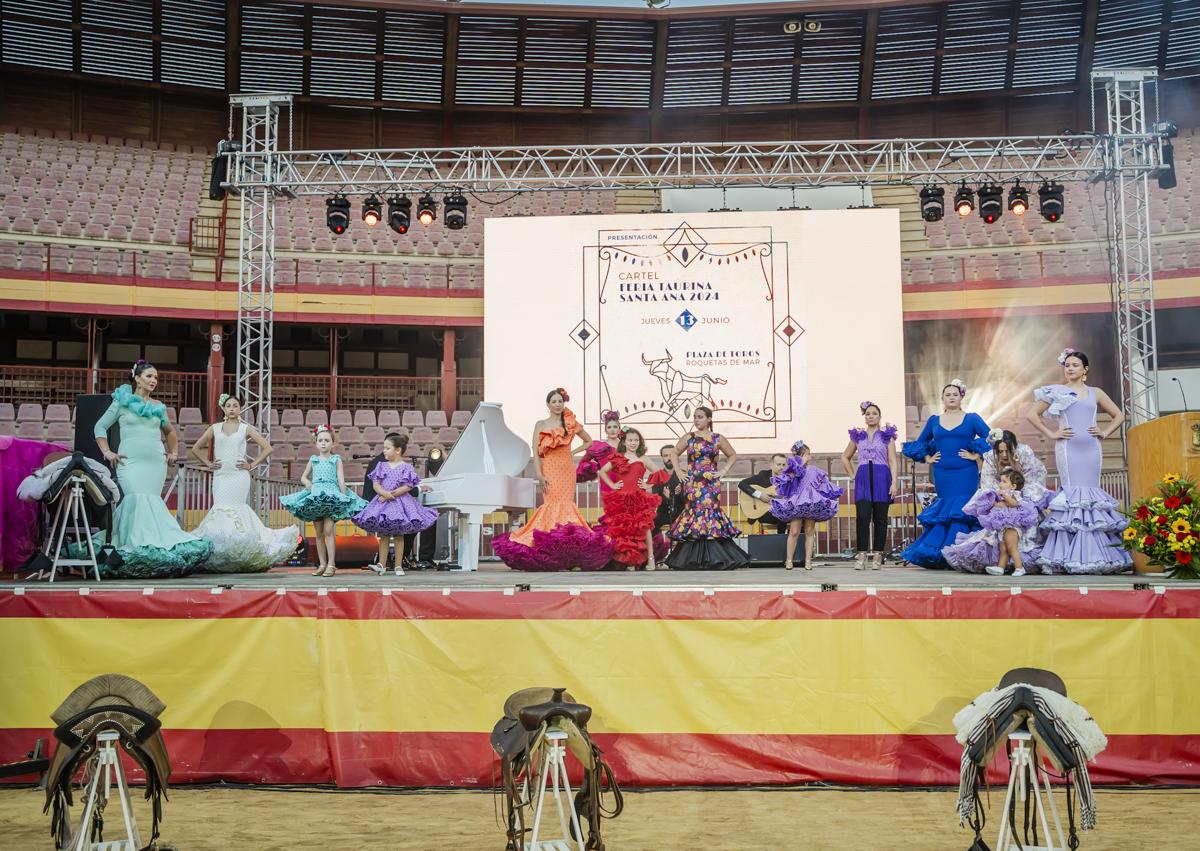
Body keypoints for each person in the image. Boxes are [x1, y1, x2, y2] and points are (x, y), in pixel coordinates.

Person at [93, 359, 213, 577]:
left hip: (155, 463)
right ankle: (135, 546)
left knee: (152, 500)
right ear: (137, 378)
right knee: (135, 498)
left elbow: (170, 433)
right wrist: (108, 452)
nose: (154, 381)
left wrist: (173, 453)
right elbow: (99, 427)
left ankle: (154, 546)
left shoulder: (158, 407)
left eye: (156, 377)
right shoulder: (121, 401)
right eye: (149, 376)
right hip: (129, 462)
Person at [1027, 348, 1131, 574]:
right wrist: (1052, 433)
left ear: (1085, 369)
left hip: (1091, 448)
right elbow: (1032, 414)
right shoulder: (1056, 391)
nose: (1070, 368)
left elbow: (1119, 415)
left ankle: (1096, 556)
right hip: (1068, 448)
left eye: (1075, 365)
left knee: (1091, 495)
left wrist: (1104, 432)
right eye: (1067, 365)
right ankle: (1067, 556)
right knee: (1073, 496)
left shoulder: (1096, 392)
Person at [491, 388, 612, 571]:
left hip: (566, 468)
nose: (557, 404)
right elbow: (536, 452)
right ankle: (550, 551)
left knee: (566, 505)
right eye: (554, 401)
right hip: (549, 468)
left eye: (560, 401)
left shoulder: (570, 422)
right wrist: (539, 474)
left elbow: (589, 441)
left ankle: (569, 554)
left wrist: (573, 452)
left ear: (563, 403)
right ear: (548, 404)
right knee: (552, 505)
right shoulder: (540, 424)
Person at [188, 393, 299, 572]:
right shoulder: (215, 428)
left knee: (237, 507)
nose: (232, 408)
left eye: (235, 405)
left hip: (239, 476)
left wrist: (252, 464)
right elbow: (195, 448)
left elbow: (267, 447)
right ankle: (221, 552)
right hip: (221, 475)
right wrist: (208, 463)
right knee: (221, 507)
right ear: (223, 408)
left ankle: (242, 551)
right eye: (229, 405)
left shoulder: (244, 428)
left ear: (240, 409)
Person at [900, 379, 993, 568]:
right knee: (946, 511)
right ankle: (943, 554)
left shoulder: (972, 418)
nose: (951, 397)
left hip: (966, 471)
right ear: (942, 398)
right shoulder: (934, 420)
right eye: (948, 394)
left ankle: (963, 553)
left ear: (961, 397)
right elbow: (919, 442)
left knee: (963, 509)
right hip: (942, 471)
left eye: (955, 394)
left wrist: (975, 455)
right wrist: (927, 458)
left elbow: (991, 437)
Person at [943, 428, 1050, 574]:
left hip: (1023, 504)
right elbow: (988, 484)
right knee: (999, 540)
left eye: (1008, 451)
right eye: (1000, 451)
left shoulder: (1024, 453)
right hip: (1002, 507)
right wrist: (1001, 499)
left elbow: (1034, 479)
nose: (1004, 455)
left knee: (1024, 533)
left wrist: (1016, 496)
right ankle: (1001, 566)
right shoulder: (990, 458)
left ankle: (1019, 566)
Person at [665, 406, 751, 570]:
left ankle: (714, 557)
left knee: (710, 512)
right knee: (695, 512)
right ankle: (694, 558)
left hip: (711, 482)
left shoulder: (717, 438)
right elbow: (674, 453)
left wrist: (724, 471)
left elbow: (732, 454)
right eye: (695, 417)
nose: (696, 420)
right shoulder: (689, 437)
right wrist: (678, 471)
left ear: (709, 419)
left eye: (700, 417)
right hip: (693, 482)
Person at [280, 425, 367, 577]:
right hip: (316, 495)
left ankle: (331, 564)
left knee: (328, 530)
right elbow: (304, 477)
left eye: (327, 440)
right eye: (320, 440)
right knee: (319, 533)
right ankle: (322, 564)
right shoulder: (314, 460)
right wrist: (307, 483)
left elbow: (341, 479)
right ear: (316, 443)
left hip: (331, 496)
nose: (323, 443)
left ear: (333, 443)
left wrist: (344, 495)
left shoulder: (336, 459)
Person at [353, 433, 439, 576]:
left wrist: (390, 495)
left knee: (399, 535)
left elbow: (408, 486)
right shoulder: (381, 465)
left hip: (398, 503)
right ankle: (381, 563)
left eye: (387, 448)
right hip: (384, 503)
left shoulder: (406, 467)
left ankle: (398, 565)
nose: (384, 451)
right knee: (383, 534)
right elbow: (376, 484)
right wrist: (384, 493)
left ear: (397, 450)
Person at [842, 401, 899, 569]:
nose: (871, 416)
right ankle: (861, 555)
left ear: (879, 416)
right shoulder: (858, 436)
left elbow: (893, 461)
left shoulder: (886, 436)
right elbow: (845, 456)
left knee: (880, 519)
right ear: (864, 417)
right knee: (862, 517)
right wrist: (853, 475)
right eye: (867, 414)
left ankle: (877, 556)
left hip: (882, 478)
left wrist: (894, 482)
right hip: (863, 478)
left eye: (874, 413)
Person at [771, 441, 845, 570]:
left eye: (809, 454)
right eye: (806, 454)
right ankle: (789, 560)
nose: (809, 457)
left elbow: (823, 484)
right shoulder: (793, 470)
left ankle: (808, 561)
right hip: (797, 502)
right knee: (794, 531)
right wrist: (800, 463)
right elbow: (787, 480)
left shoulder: (815, 470)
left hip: (811, 501)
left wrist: (829, 495)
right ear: (799, 456)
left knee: (810, 531)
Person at [597, 427, 662, 570]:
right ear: (624, 442)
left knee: (644, 528)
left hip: (638, 497)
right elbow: (601, 471)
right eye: (630, 440)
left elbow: (659, 473)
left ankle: (651, 558)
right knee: (626, 530)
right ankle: (630, 561)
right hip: (621, 498)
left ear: (640, 442)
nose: (633, 443)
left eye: (636, 440)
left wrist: (648, 483)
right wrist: (612, 485)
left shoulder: (643, 458)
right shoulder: (618, 458)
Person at [974, 468, 1041, 578]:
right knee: (1003, 549)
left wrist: (1004, 496)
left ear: (1013, 486)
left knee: (1011, 547)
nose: (1001, 483)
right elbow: (1001, 505)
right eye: (1001, 481)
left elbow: (1013, 504)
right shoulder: (1002, 494)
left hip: (1012, 526)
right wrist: (993, 502)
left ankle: (1019, 567)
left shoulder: (1014, 494)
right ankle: (1000, 567)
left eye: (1004, 481)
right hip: (1003, 526)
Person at [737, 454, 789, 534]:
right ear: (771, 465)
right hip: (764, 513)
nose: (781, 467)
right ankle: (781, 541)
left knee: (794, 516)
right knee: (782, 514)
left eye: (783, 465)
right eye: (778, 464)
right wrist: (760, 495)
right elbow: (742, 484)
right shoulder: (763, 476)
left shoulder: (788, 481)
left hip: (781, 514)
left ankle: (785, 542)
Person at [649, 444, 685, 533]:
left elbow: (689, 500)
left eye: (671, 455)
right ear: (662, 458)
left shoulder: (685, 475)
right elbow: (655, 499)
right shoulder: (656, 476)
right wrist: (668, 497)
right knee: (648, 525)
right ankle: (649, 547)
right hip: (663, 514)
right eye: (665, 455)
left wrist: (681, 492)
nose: (669, 458)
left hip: (682, 515)